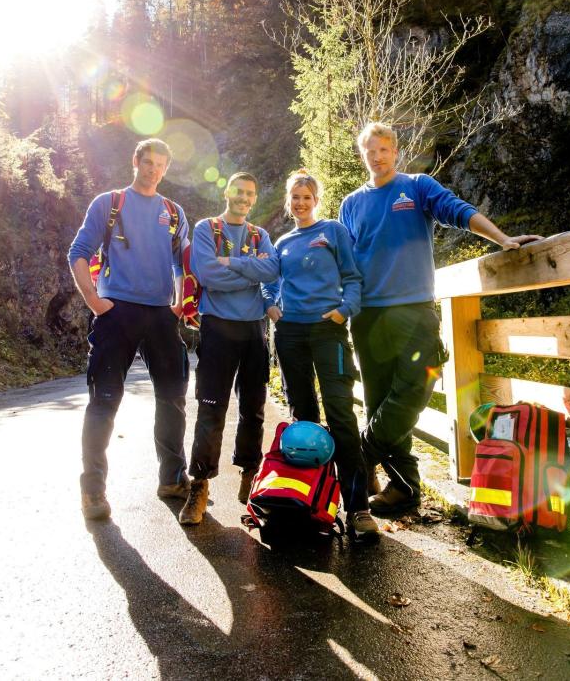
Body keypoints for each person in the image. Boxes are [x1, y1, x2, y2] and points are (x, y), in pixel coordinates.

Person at [339, 122, 542, 516]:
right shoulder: (351, 204)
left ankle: (363, 454)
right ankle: (405, 489)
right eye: (370, 150)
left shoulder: (416, 186)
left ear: (395, 151)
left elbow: (458, 211)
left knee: (414, 390)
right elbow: (346, 263)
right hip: (368, 317)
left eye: (384, 149)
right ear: (362, 154)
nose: (377, 156)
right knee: (380, 400)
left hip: (415, 312)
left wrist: (503, 240)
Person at [68, 138, 190, 521]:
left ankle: (172, 478)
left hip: (161, 316)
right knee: (104, 400)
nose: (153, 169)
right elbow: (79, 252)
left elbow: (183, 263)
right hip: (115, 313)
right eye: (147, 162)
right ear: (135, 160)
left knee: (172, 398)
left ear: (166, 169)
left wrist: (178, 305)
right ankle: (93, 492)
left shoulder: (173, 212)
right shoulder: (109, 203)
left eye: (160, 165)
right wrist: (96, 303)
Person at [263, 170, 380, 537]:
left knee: (340, 413)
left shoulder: (332, 231)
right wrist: (271, 306)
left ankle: (358, 508)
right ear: (288, 201)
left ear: (316, 200)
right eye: (295, 197)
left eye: (307, 197)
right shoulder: (282, 242)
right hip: (291, 333)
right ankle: (314, 501)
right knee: (304, 416)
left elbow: (352, 277)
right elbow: (270, 283)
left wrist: (345, 310)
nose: (300, 203)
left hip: (328, 330)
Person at [179, 172, 279, 525]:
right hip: (217, 327)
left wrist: (233, 264)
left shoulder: (259, 235)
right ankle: (200, 485)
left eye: (250, 193)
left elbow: (272, 269)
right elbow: (207, 274)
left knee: (254, 408)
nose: (244, 198)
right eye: (239, 191)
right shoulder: (207, 229)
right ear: (227, 192)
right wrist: (250, 273)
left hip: (254, 330)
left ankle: (250, 474)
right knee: (211, 407)